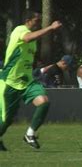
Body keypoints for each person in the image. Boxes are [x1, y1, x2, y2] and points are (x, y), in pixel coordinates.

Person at [0, 9, 62, 151]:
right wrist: (50, 28)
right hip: (10, 82)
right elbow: (28, 38)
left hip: (27, 81)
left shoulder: (33, 42)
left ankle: (30, 134)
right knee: (6, 119)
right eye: (36, 21)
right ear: (28, 21)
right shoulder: (19, 30)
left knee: (44, 102)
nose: (38, 23)